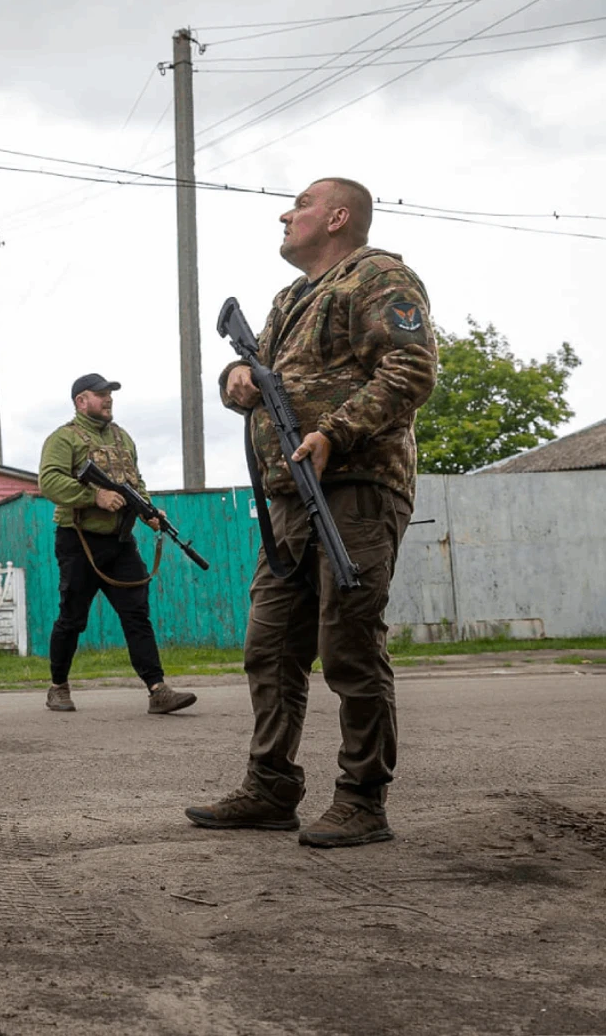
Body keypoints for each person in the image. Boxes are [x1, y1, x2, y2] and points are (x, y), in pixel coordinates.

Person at [185, 176, 436, 849]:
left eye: (300, 205)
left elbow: (411, 371)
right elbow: (253, 377)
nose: (284, 215)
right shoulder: (289, 299)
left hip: (355, 485)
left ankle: (362, 799)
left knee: (348, 643)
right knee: (269, 647)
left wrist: (335, 433)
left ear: (337, 216)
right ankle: (270, 788)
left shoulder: (378, 277)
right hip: (290, 495)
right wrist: (235, 379)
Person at [37, 374, 197, 716]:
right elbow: (49, 481)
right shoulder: (63, 438)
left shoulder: (123, 438)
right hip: (79, 541)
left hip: (121, 541)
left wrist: (148, 511)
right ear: (81, 401)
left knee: (137, 614)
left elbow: (135, 482)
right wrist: (94, 496)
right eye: (101, 394)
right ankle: (58, 686)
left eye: (110, 393)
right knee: (72, 618)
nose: (108, 398)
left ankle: (157, 690)